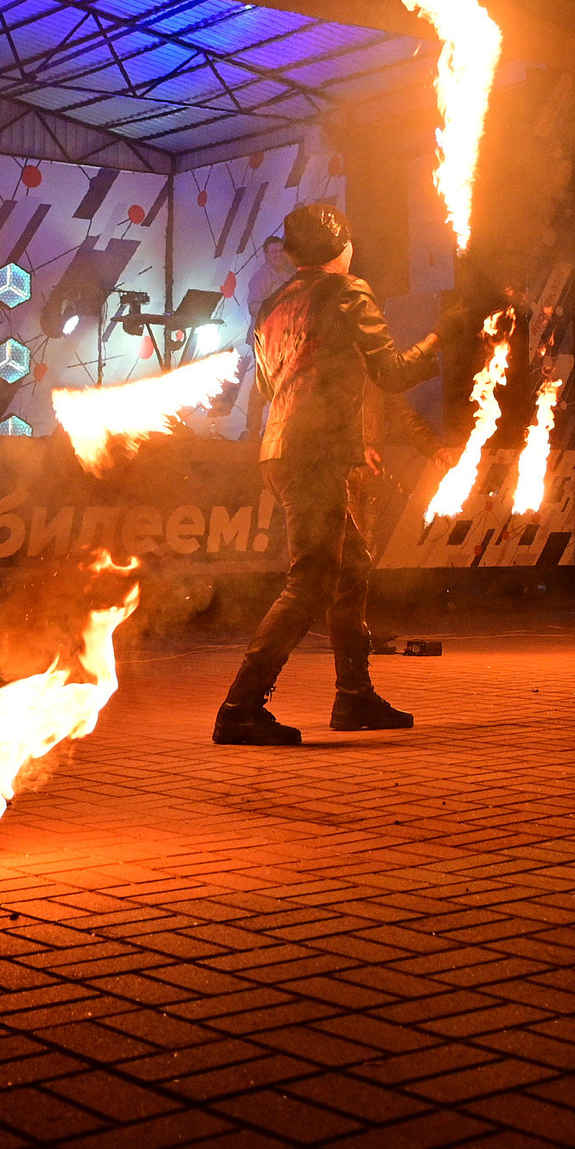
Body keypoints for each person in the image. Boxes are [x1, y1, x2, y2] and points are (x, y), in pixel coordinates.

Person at [214, 202, 438, 746]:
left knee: (351, 567)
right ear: (341, 245)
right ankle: (240, 707)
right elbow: (390, 372)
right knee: (313, 575)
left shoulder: (272, 304)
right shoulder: (347, 292)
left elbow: (270, 389)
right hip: (314, 452)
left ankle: (354, 696)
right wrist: (441, 340)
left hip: (280, 446)